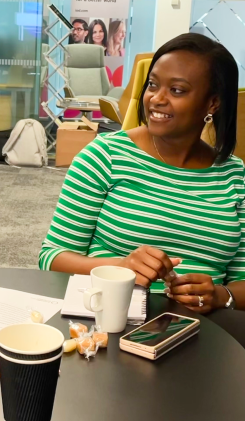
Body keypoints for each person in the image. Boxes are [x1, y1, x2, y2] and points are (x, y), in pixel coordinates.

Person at [40, 33, 245, 317]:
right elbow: (51, 257)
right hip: (113, 318)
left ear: (213, 104)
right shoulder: (105, 156)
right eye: (153, 85)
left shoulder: (235, 175)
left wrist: (223, 295)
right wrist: (119, 266)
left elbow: (241, 279)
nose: (156, 99)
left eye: (177, 90)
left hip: (207, 328)